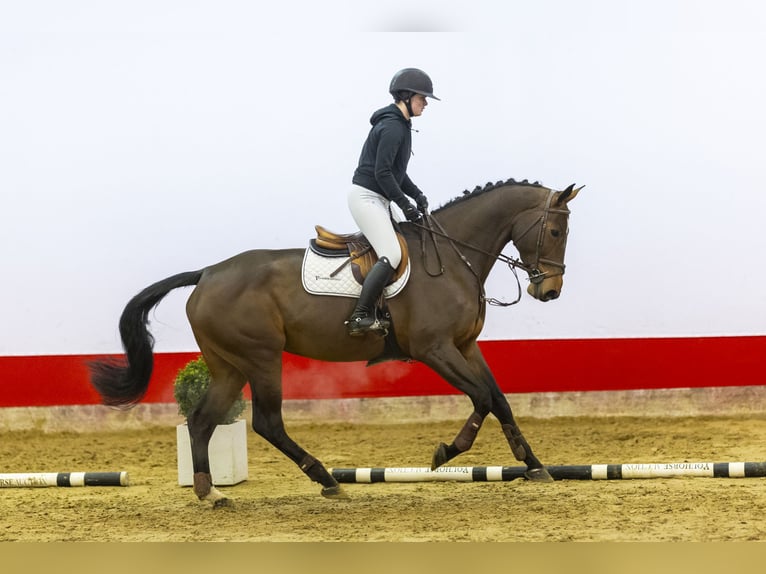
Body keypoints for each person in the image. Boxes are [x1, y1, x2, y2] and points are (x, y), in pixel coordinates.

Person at [345, 68, 439, 336]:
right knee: (393, 253)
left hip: (379, 197)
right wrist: (404, 204)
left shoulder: (401, 126)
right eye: (423, 97)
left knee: (407, 245)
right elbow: (382, 173)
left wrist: (416, 194)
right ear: (407, 96)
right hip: (366, 197)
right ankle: (360, 316)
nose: (426, 103)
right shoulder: (392, 127)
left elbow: (396, 173)